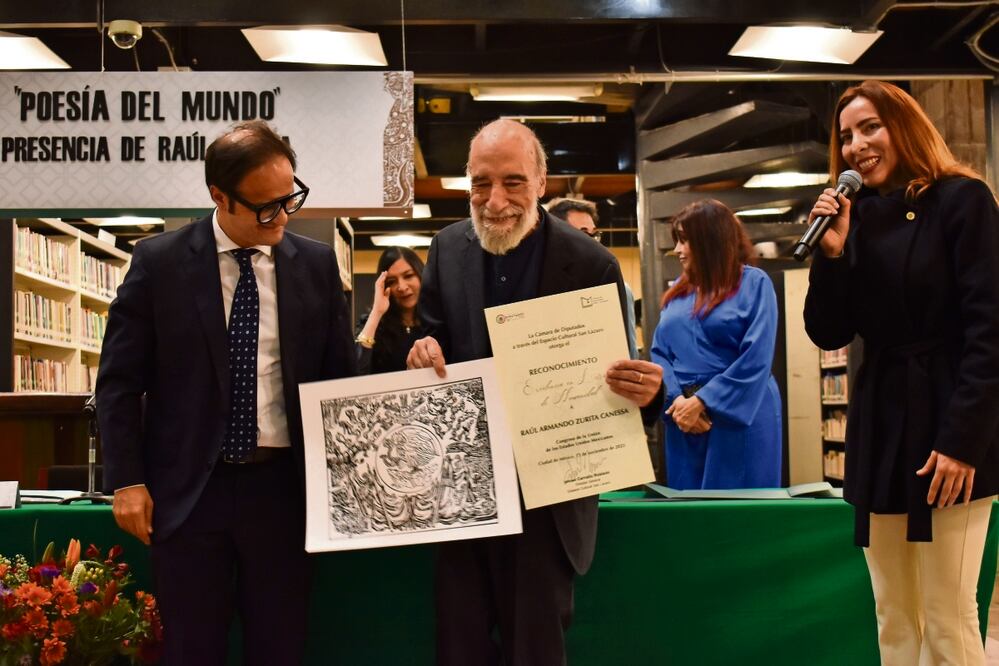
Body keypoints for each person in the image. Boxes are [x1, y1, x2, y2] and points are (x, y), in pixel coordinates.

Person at [96, 120, 356, 664]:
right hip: (190, 491)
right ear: (219, 196)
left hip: (285, 492)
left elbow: (338, 376)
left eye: (290, 199)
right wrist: (127, 479)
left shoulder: (314, 264)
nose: (283, 216)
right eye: (266, 207)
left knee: (279, 645)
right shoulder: (160, 263)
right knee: (193, 647)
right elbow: (119, 381)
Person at [407, 119, 663, 666]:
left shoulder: (592, 263)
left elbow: (618, 379)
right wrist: (421, 350)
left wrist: (643, 390)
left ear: (542, 182)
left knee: (536, 652)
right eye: (480, 183)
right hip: (463, 494)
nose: (494, 200)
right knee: (459, 647)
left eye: (512, 182)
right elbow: (432, 340)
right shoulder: (446, 249)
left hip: (548, 501)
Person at [803, 80, 999, 666]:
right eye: (846, 136)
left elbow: (990, 332)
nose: (857, 145)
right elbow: (828, 332)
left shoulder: (963, 200)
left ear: (905, 126)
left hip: (947, 427)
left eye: (870, 127)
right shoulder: (852, 219)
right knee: (893, 616)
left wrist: (962, 443)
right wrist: (832, 255)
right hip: (882, 426)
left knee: (947, 617)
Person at [649, 199, 782, 489]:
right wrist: (677, 402)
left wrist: (705, 401)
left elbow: (756, 357)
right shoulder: (677, 293)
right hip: (683, 417)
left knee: (739, 514)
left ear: (709, 240)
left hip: (739, 414)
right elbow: (659, 353)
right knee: (690, 513)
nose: (677, 250)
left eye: (685, 241)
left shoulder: (754, 284)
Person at [546, 196, 639, 359]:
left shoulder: (617, 290)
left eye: (593, 235)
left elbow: (628, 354)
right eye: (582, 234)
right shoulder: (537, 284)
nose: (591, 243)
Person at [355, 246, 425, 373]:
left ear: (421, 275)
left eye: (408, 276)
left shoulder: (437, 321)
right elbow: (356, 371)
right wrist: (376, 312)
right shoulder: (374, 323)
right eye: (392, 281)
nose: (402, 287)